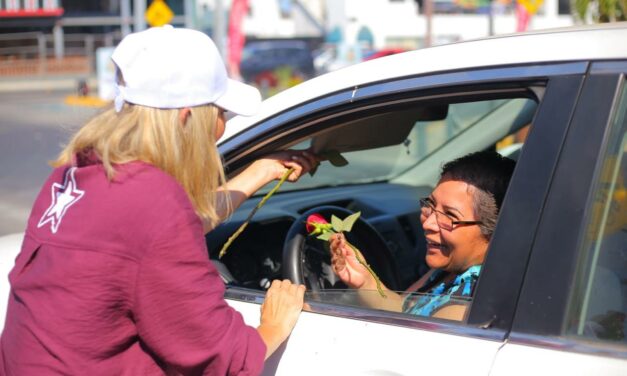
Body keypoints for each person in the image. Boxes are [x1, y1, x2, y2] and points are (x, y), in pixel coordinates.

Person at [0, 26, 319, 375]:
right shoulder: (154, 201)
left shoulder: (75, 174)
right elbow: (220, 355)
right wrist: (274, 324)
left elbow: (153, 238)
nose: (222, 126)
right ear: (186, 119)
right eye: (221, 113)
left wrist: (259, 172)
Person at [330, 151, 515, 321]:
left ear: (494, 231)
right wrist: (365, 281)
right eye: (430, 204)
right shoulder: (453, 267)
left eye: (450, 216)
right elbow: (402, 309)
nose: (428, 223)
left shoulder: (464, 308)